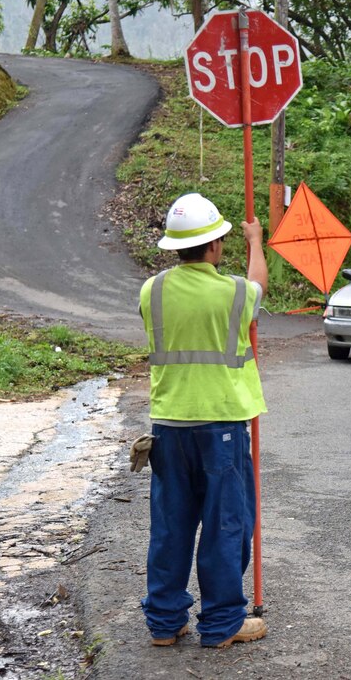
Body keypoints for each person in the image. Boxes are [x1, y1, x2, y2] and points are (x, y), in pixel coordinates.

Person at [138, 192, 269, 649]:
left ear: (174, 246)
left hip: (169, 427)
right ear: (215, 246)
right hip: (222, 428)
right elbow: (258, 286)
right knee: (225, 525)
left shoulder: (150, 291)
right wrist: (256, 242)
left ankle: (165, 622)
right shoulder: (233, 292)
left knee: (171, 526)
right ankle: (221, 624)